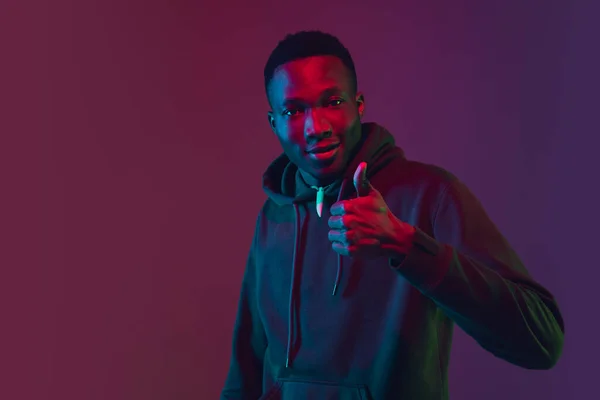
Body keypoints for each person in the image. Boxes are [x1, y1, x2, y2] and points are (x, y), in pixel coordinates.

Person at [220, 30, 564, 400]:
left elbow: (542, 343)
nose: (316, 127)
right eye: (293, 111)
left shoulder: (430, 195)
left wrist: (405, 244)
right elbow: (246, 370)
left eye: (332, 102)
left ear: (359, 105)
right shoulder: (275, 215)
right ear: (274, 123)